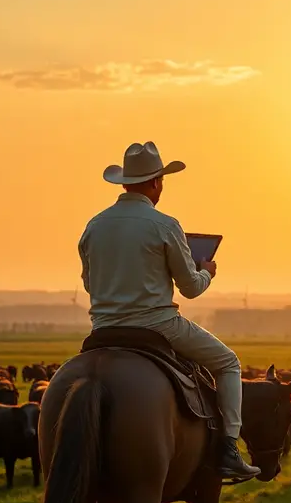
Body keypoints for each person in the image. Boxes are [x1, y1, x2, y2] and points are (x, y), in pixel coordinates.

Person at [78, 141, 261, 481]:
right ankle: (229, 449)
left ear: (124, 183)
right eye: (162, 180)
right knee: (227, 363)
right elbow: (190, 288)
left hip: (102, 329)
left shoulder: (94, 225)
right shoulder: (164, 224)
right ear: (155, 183)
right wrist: (207, 270)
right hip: (157, 325)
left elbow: (90, 285)